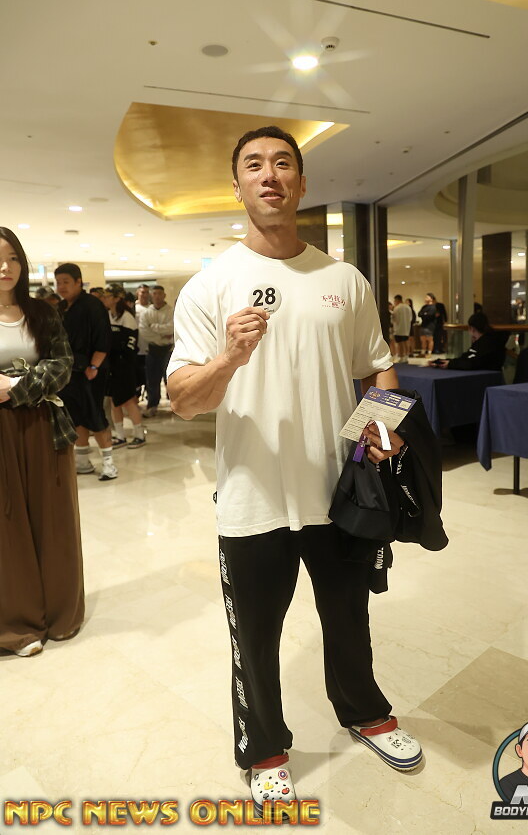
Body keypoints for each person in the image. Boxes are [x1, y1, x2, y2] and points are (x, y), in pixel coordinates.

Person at [167, 125, 423, 815]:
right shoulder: (211, 286)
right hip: (251, 497)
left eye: (283, 163)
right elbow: (183, 399)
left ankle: (365, 713)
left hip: (338, 491)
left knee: (349, 617)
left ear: (302, 184)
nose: (269, 174)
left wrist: (379, 430)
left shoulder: (343, 280)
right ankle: (264, 750)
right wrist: (229, 358)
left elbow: (377, 366)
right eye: (254, 165)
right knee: (254, 635)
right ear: (238, 186)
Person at [0, 227, 84, 658]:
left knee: (54, 520)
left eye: (13, 257)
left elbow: (63, 364)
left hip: (44, 426)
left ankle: (59, 612)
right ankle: (17, 624)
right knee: (7, 525)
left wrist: (15, 387)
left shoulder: (42, 313)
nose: (5, 267)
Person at [54, 263, 118, 480]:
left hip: (90, 370)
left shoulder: (92, 305)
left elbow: (103, 339)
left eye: (66, 282)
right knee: (76, 417)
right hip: (69, 372)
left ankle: (109, 464)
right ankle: (83, 461)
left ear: (78, 282)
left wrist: (94, 366)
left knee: (95, 416)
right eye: (58, 282)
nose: (61, 286)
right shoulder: (63, 307)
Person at [102, 284, 146, 449]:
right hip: (111, 366)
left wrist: (122, 359)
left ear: (116, 298)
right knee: (114, 402)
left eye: (108, 296)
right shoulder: (108, 315)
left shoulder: (127, 317)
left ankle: (139, 435)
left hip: (125, 366)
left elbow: (131, 343)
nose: (105, 299)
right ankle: (120, 436)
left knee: (128, 401)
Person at [140, 285, 174, 418]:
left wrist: (154, 327)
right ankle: (152, 405)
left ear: (164, 295)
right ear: (151, 295)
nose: (157, 296)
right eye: (154, 293)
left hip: (168, 349)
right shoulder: (146, 313)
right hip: (153, 349)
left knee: (170, 379)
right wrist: (162, 335)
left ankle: (176, 405)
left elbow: (172, 328)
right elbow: (144, 332)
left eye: (160, 293)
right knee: (152, 380)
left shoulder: (171, 311)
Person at [429, 311, 506, 371]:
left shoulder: (486, 343)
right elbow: (467, 358)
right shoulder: (486, 341)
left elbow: (472, 362)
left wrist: (451, 364)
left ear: (472, 329)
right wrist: (444, 361)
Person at [391, 294, 412, 363]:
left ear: (397, 300)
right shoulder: (408, 307)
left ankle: (402, 357)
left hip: (399, 329)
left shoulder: (397, 308)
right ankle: (406, 356)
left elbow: (395, 319)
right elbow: (410, 318)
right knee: (405, 342)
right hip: (407, 328)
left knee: (400, 344)